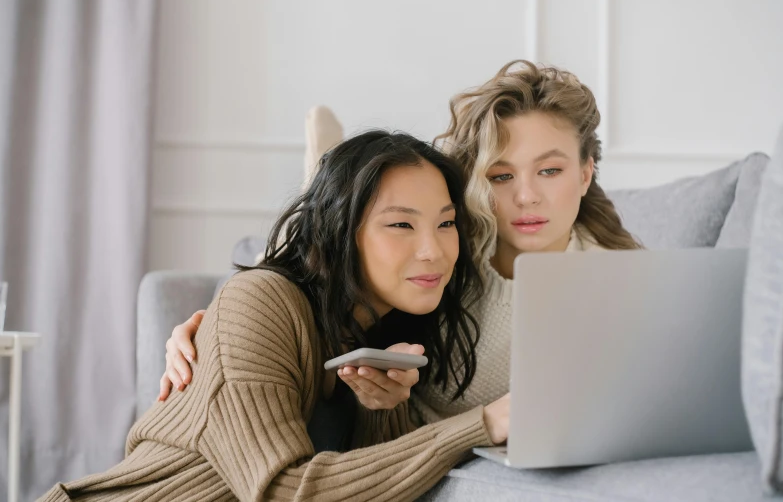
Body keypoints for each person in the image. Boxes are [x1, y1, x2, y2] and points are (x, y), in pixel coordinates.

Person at [161, 60, 642, 425]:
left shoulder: (623, 282)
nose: (527, 196)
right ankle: (324, 174)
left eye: (550, 170)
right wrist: (213, 322)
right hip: (400, 433)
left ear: (585, 173)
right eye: (501, 175)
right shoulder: (444, 243)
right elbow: (302, 273)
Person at [40, 131, 510, 502]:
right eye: (401, 224)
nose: (434, 250)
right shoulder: (261, 300)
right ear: (338, 232)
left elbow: (373, 487)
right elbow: (279, 492)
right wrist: (482, 424)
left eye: (445, 223)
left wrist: (382, 411)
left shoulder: (384, 336)